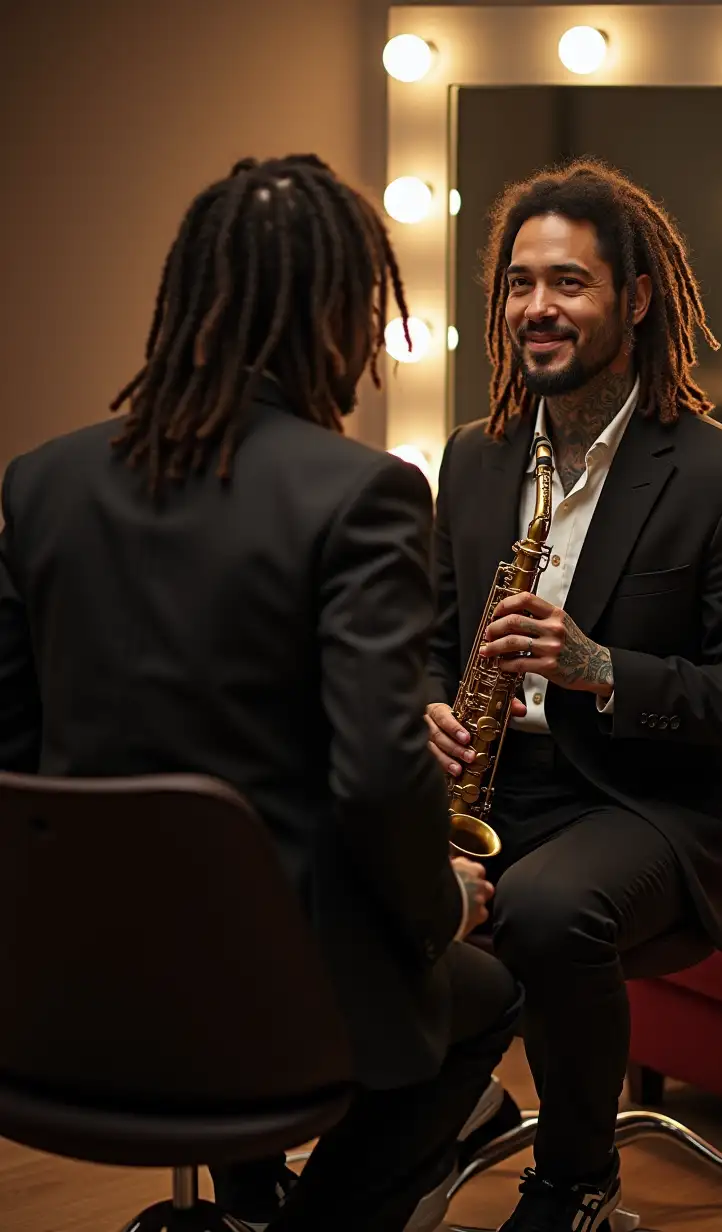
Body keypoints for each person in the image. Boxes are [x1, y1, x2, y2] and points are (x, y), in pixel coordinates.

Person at [0, 155, 521, 1232]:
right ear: (337, 311)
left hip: (63, 985)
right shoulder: (362, 489)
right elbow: (378, 775)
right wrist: (441, 905)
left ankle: (251, 1196)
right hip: (266, 999)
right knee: (481, 998)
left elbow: (12, 738)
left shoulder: (42, 479)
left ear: (189, 297)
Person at [425, 159, 722, 1231]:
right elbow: (424, 639)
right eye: (517, 282)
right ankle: (446, 1113)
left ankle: (577, 1176)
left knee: (545, 909)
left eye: (569, 283)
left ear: (634, 299)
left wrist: (595, 665)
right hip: (500, 784)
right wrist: (425, 706)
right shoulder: (473, 456)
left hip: (641, 807)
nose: (535, 307)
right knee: (317, 852)